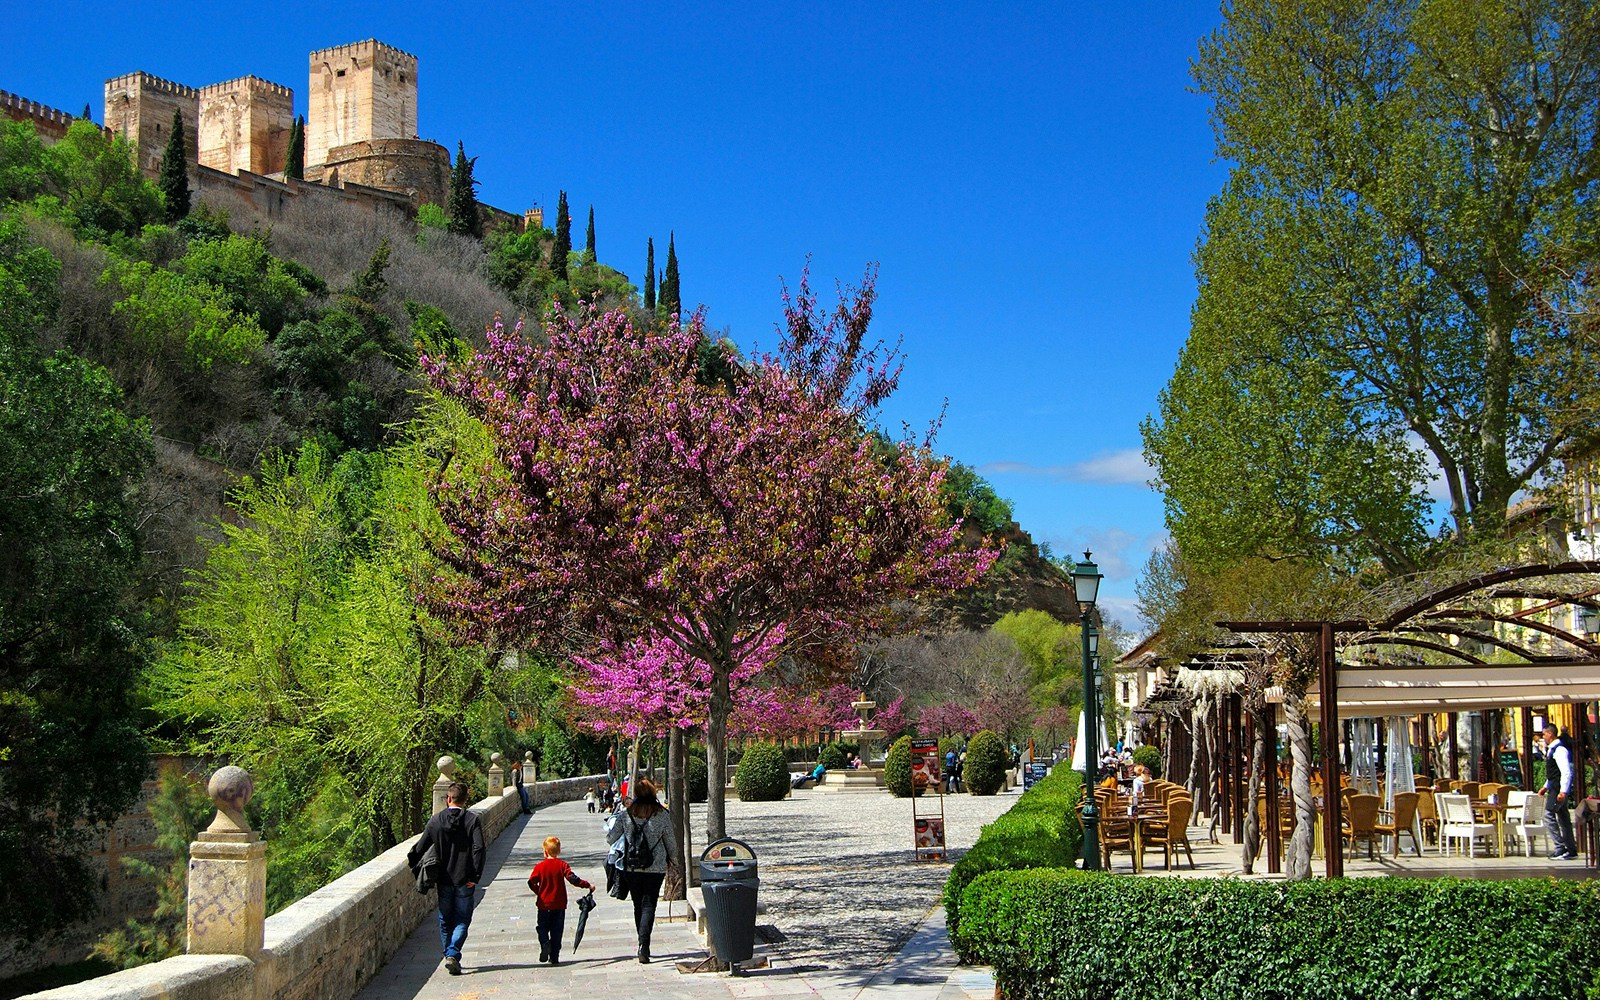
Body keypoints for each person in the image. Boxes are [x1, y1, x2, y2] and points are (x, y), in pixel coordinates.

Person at [406, 781, 486, 976]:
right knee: (462, 919)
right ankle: (453, 953)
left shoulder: (436, 821)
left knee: (444, 920)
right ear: (465, 799)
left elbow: (421, 846)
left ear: (448, 798)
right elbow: (479, 848)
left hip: (443, 879)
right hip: (465, 879)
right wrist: (475, 875)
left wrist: (412, 861)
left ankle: (449, 954)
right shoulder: (471, 820)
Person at [604, 779, 679, 963]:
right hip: (656, 866)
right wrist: (674, 861)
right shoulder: (662, 815)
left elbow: (610, 838)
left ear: (636, 794)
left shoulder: (627, 814)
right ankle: (644, 945)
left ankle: (641, 943)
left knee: (638, 904)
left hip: (632, 866)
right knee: (649, 904)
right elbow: (670, 842)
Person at [527, 836, 593, 966]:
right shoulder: (562, 865)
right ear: (559, 851)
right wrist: (588, 885)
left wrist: (539, 892)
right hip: (559, 904)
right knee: (557, 930)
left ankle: (545, 942)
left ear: (545, 851)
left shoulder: (540, 867)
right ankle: (554, 956)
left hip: (544, 904)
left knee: (542, 927)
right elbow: (573, 879)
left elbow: (531, 882)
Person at [1543, 724, 1578, 860]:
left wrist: (1563, 790)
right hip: (1554, 787)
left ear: (1550, 734)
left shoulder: (1559, 750)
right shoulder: (1552, 750)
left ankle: (1560, 847)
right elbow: (1553, 772)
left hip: (1558, 789)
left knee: (1548, 815)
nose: (1543, 737)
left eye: (1544, 734)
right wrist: (1546, 786)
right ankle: (1570, 849)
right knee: (1563, 818)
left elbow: (1566, 771)